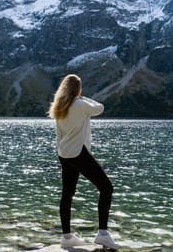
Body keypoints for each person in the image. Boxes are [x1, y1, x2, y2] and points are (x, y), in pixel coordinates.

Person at [48, 74, 119, 249]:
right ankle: (102, 233)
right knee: (106, 188)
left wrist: (60, 153)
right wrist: (82, 96)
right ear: (77, 89)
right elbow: (100, 108)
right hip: (79, 152)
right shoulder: (80, 105)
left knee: (67, 194)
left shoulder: (59, 106)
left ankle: (67, 237)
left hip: (64, 154)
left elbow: (59, 135)